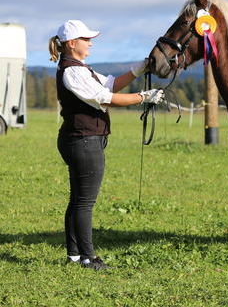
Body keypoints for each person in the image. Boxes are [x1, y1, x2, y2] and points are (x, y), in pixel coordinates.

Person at [48, 19, 164, 270]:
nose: (90, 43)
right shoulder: (72, 72)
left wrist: (141, 68)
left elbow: (110, 84)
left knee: (78, 199)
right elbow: (106, 98)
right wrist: (144, 97)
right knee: (84, 202)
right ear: (71, 43)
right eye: (86, 39)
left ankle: (75, 255)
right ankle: (88, 257)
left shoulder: (79, 68)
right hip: (83, 141)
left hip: (82, 140)